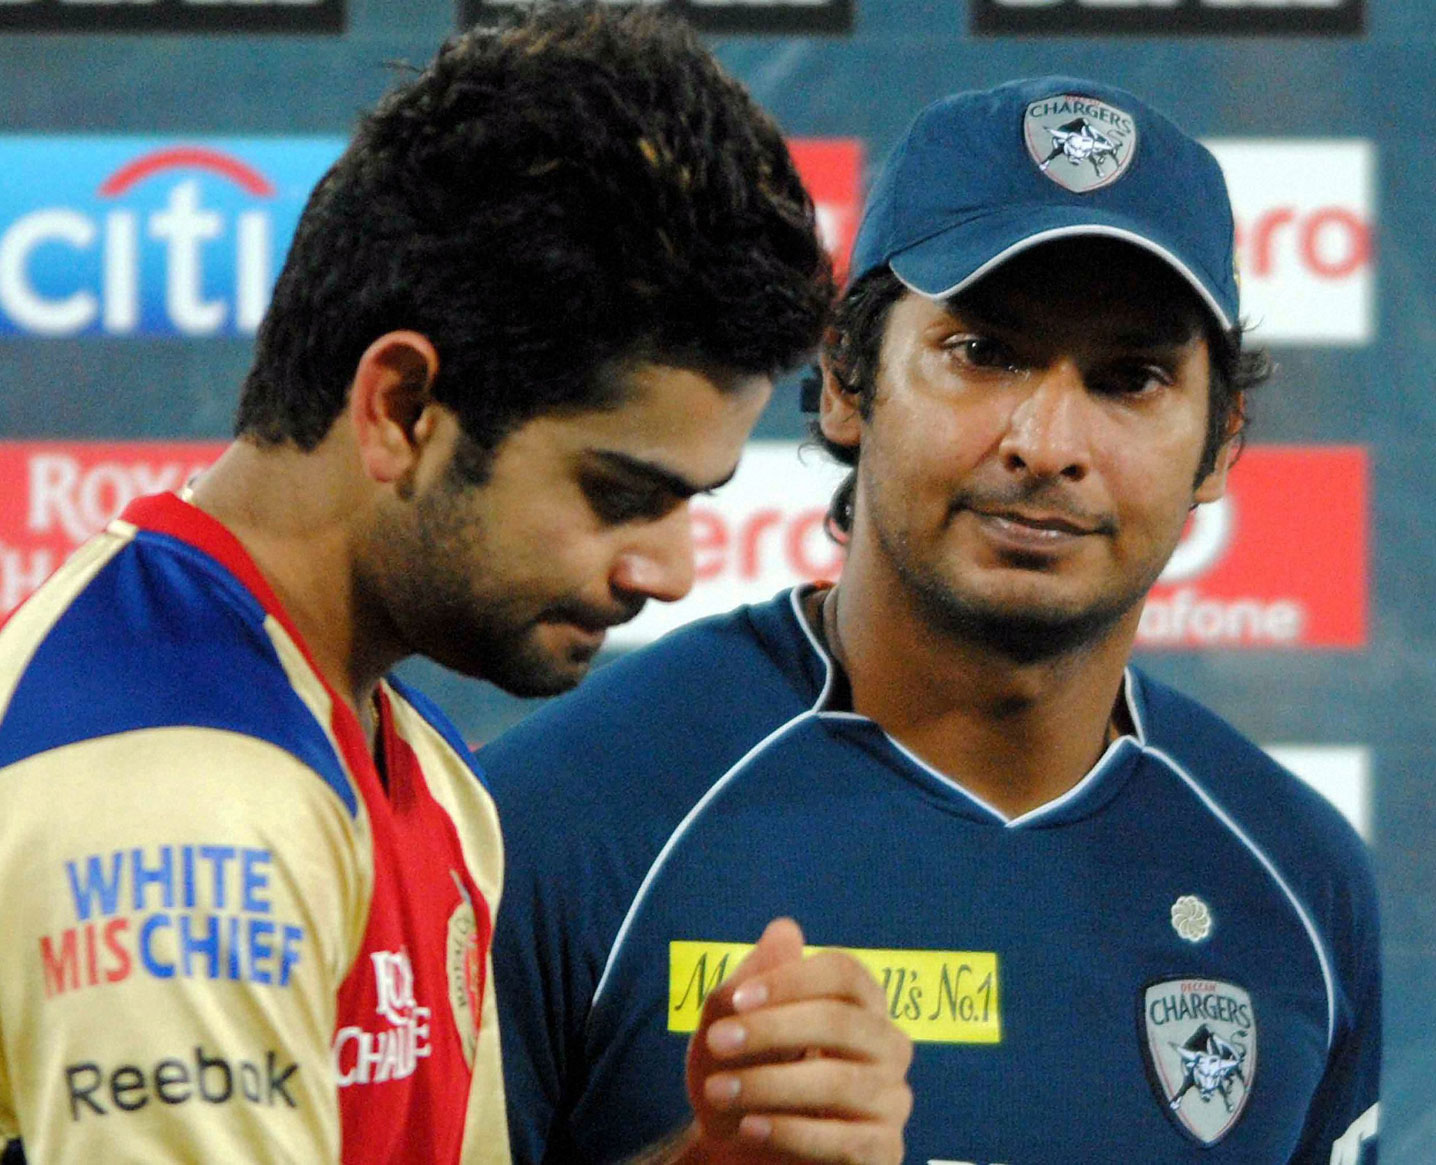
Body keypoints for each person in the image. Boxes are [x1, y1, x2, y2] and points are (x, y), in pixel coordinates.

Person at [0, 6, 915, 1162]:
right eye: (618, 491)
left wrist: (723, 1156)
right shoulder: (180, 801)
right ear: (402, 407)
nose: (671, 569)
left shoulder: (403, 758)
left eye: (691, 501)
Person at [483, 76, 1382, 1164]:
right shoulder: (556, 825)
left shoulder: (1299, 879)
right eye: (985, 353)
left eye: (1130, 377)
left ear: (1223, 442)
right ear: (847, 380)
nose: (1048, 441)